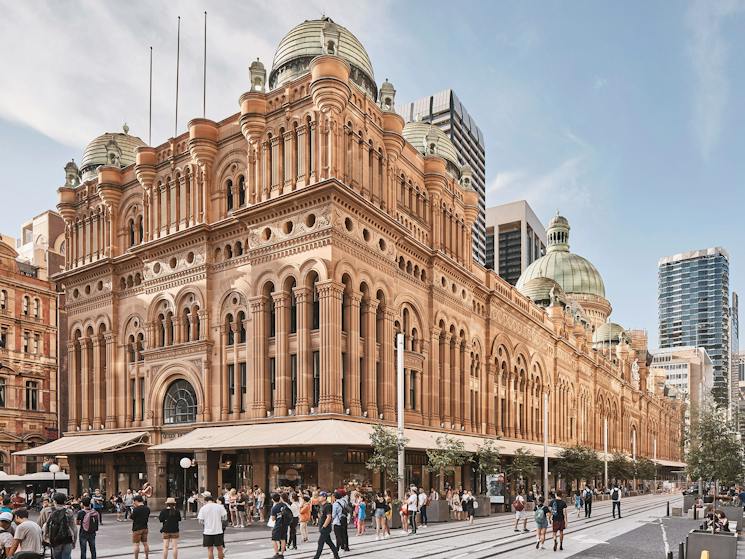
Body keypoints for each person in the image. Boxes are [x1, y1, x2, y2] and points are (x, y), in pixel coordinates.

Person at [44, 492, 77, 559]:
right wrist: (74, 541)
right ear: (64, 501)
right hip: (67, 539)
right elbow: (74, 528)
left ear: (55, 501)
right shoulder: (69, 512)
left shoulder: (48, 511)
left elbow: (45, 525)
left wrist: (46, 538)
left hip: (55, 539)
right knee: (66, 557)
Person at [197, 492, 227, 559]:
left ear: (206, 501)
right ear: (213, 500)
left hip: (208, 531)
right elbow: (224, 517)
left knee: (210, 549)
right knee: (220, 549)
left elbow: (200, 521)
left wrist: (206, 523)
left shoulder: (203, 508)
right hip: (218, 530)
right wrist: (219, 521)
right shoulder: (219, 507)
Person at [311, 492, 339, 559]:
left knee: (320, 542)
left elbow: (329, 517)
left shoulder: (328, 505)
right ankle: (336, 555)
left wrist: (324, 526)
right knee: (329, 542)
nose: (319, 497)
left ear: (324, 497)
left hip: (325, 528)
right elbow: (321, 516)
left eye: (320, 496)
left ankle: (316, 557)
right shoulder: (321, 505)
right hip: (322, 527)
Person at [268, 493, 288, 559]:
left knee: (274, 539)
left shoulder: (274, 508)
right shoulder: (284, 505)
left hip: (278, 525)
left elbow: (273, 519)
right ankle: (282, 554)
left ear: (273, 500)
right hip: (285, 524)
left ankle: (276, 553)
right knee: (283, 539)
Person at [130, 494, 150, 559]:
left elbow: (131, 517)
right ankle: (146, 557)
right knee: (145, 543)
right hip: (145, 527)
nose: (133, 503)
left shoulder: (136, 509)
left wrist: (133, 509)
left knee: (136, 545)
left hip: (137, 528)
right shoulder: (147, 508)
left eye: (134, 501)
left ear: (136, 501)